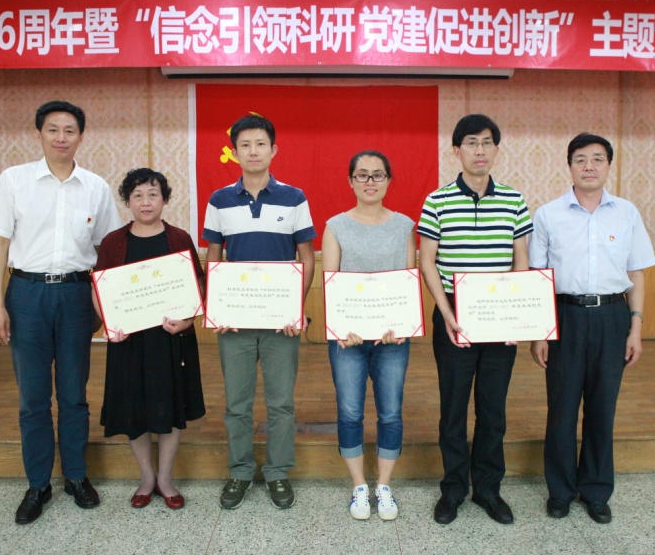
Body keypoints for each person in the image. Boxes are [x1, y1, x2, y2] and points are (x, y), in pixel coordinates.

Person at [0, 100, 122, 524]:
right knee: (33, 398)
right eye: (53, 129)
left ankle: (76, 475)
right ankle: (38, 483)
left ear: (81, 137)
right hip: (26, 294)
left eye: (69, 130)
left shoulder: (95, 187)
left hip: (76, 295)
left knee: (74, 394)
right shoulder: (15, 180)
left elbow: (108, 251)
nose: (61, 137)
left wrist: (109, 307)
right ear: (39, 134)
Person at [529, 132, 655, 524]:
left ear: (608, 166)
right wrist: (540, 332)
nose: (589, 166)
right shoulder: (548, 215)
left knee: (602, 408)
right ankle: (561, 491)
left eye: (597, 159)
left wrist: (635, 327)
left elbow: (636, 272)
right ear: (569, 166)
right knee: (562, 409)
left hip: (612, 317)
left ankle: (597, 491)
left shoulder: (626, 213)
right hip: (564, 317)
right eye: (580, 159)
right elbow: (539, 276)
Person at [418, 114, 532, 525]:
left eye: (486, 142)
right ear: (457, 150)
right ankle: (453, 490)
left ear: (496, 150)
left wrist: (515, 316)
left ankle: (488, 489)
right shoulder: (437, 201)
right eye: (471, 142)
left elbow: (521, 261)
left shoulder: (514, 200)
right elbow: (427, 262)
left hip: (499, 312)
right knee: (453, 408)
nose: (479, 150)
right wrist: (447, 313)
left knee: (493, 408)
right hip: (454, 312)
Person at [202, 114, 316, 510]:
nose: (253, 151)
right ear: (234, 152)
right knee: (237, 404)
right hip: (235, 322)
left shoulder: (294, 198)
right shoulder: (219, 200)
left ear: (273, 150)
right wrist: (217, 306)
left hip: (280, 323)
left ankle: (278, 472)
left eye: (260, 144)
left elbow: (306, 257)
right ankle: (240, 471)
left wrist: (295, 307)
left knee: (281, 403)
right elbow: (213, 257)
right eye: (245, 145)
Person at [93, 168, 206, 510]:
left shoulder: (179, 238)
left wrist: (187, 320)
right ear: (127, 202)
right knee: (134, 409)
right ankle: (146, 477)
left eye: (153, 194)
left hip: (171, 340)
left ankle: (166, 479)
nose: (146, 202)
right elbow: (99, 288)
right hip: (129, 343)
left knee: (170, 407)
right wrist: (110, 323)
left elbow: (198, 285)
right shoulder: (113, 242)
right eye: (138, 195)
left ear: (165, 200)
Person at [322, 150, 416, 521]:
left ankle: (384, 486)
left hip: (393, 340)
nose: (370, 181)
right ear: (351, 181)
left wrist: (402, 325)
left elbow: (408, 280)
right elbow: (331, 283)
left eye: (378, 175)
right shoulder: (335, 226)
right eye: (362, 175)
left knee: (391, 413)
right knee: (349, 412)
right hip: (348, 340)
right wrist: (341, 327)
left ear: (389, 181)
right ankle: (359, 485)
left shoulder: (404, 226)